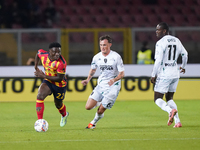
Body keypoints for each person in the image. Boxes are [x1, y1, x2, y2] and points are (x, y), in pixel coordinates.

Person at [81, 35, 125, 129]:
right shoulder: (97, 57)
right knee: (88, 107)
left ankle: (93, 123)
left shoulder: (116, 57)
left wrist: (114, 80)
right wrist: (87, 79)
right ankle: (101, 101)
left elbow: (122, 74)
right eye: (101, 45)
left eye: (104, 45)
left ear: (110, 45)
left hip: (113, 86)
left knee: (100, 110)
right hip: (101, 85)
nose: (102, 47)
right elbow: (93, 70)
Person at [151, 22, 188, 128]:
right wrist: (183, 66)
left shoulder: (160, 43)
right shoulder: (177, 40)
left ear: (165, 31)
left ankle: (170, 111)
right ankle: (178, 122)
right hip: (175, 73)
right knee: (170, 98)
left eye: (159, 30)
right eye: (156, 29)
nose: (156, 32)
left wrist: (154, 74)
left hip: (164, 74)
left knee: (157, 98)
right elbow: (185, 54)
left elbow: (158, 60)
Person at [34, 42, 69, 127]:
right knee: (40, 96)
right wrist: (36, 67)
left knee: (58, 104)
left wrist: (43, 75)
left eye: (59, 52)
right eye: (54, 52)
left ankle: (64, 115)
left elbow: (59, 78)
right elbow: (37, 54)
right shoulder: (43, 54)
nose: (57, 54)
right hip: (48, 81)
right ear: (49, 51)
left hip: (59, 84)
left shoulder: (61, 63)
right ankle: (40, 122)